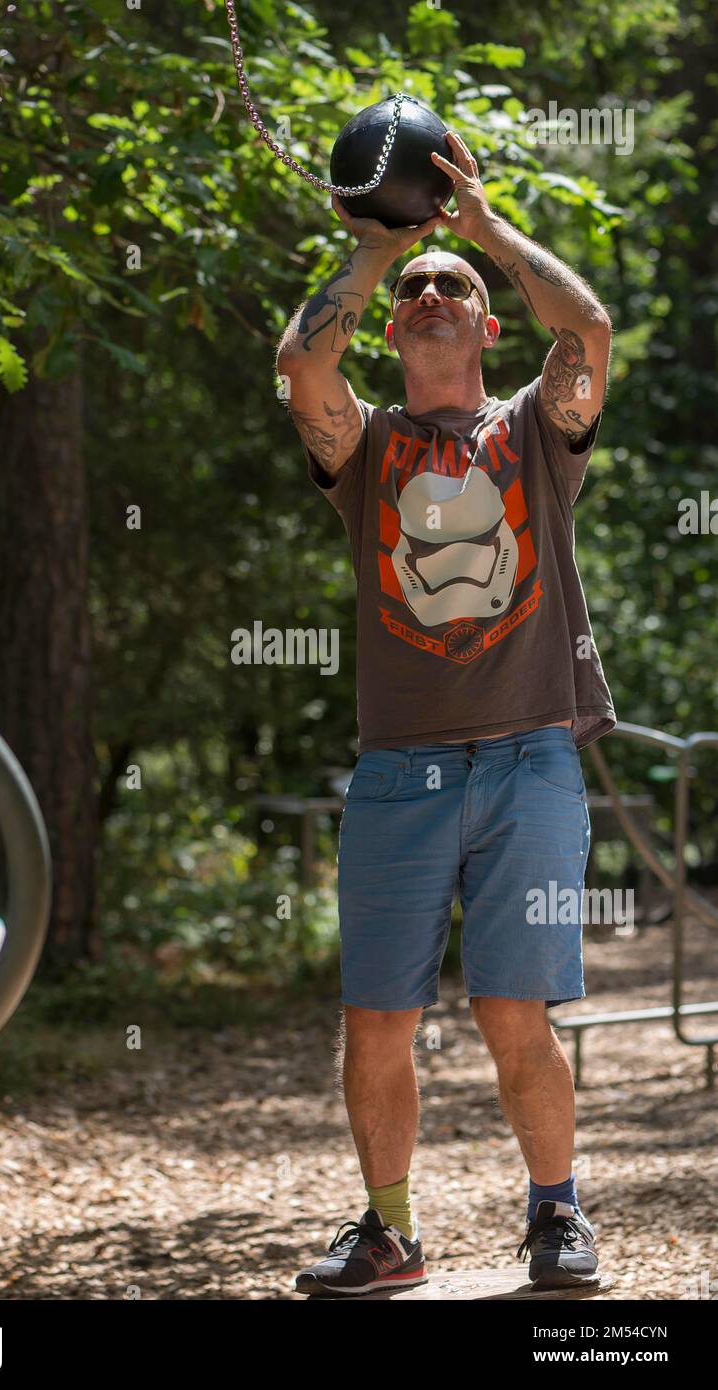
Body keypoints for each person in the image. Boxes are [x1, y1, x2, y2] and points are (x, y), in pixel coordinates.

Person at [275, 130, 616, 1297]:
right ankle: (389, 1233)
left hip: (531, 759)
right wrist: (379, 248)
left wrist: (480, 231)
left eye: (452, 290)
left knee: (516, 1010)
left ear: (486, 323)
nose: (431, 293)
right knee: (378, 1019)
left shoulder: (533, 429)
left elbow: (593, 333)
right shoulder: (366, 446)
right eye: (416, 290)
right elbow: (302, 370)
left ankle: (556, 1216)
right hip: (399, 773)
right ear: (393, 323)